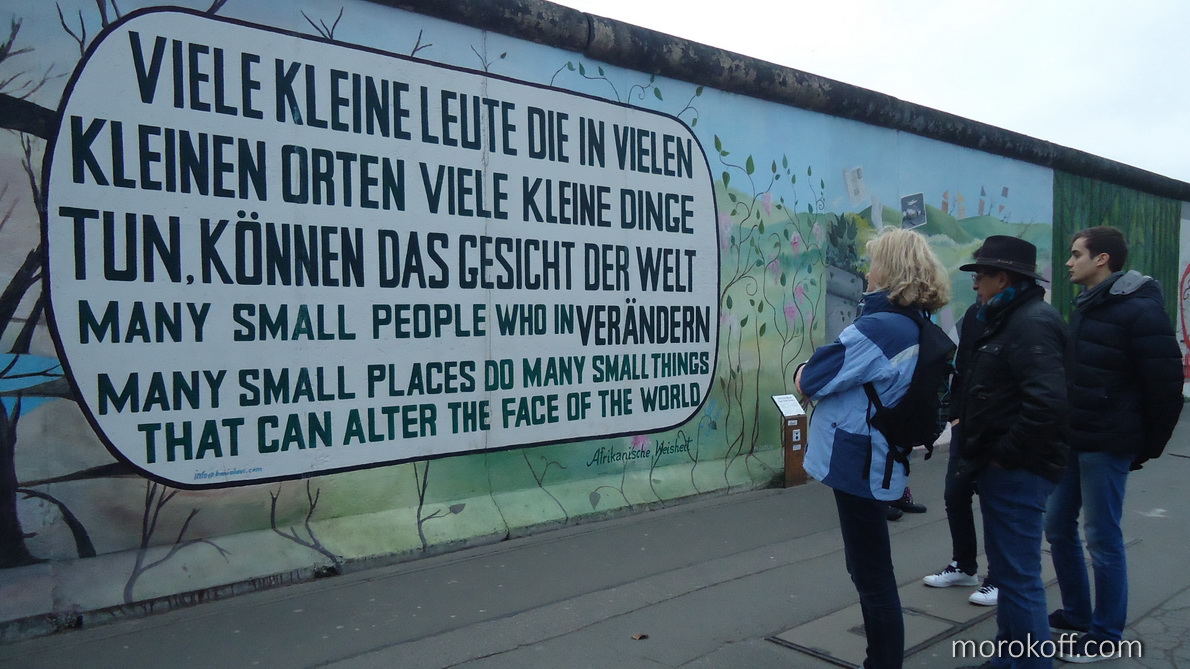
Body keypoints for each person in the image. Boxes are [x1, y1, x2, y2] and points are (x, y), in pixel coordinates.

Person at [795, 226, 951, 669]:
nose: (867, 272)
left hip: (858, 461)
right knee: (869, 569)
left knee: (872, 575)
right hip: (881, 459)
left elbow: (812, 379)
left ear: (891, 270)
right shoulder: (915, 324)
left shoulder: (879, 328)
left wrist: (804, 371)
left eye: (874, 262)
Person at [1045, 226, 1183, 663]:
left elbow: (1166, 388)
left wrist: (1145, 446)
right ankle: (1077, 613)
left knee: (1102, 538)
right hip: (1074, 437)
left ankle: (1106, 634)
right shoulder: (1088, 305)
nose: (1069, 262)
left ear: (1102, 259)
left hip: (1108, 443)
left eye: (1076, 254)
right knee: (1056, 525)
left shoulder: (1139, 311)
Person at [956, 235, 1069, 669]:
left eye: (981, 275)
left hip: (1018, 470)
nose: (975, 284)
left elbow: (1047, 403)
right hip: (1004, 466)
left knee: (1019, 578)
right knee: (1008, 572)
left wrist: (1004, 454)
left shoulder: (1030, 322)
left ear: (1002, 278)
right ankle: (1009, 656)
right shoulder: (1009, 317)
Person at [921, 299, 997, 606]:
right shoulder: (974, 313)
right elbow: (961, 366)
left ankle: (999, 577)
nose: (976, 283)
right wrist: (955, 416)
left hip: (998, 426)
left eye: (982, 277)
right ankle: (964, 566)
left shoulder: (1023, 317)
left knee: (994, 502)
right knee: (955, 494)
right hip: (966, 423)